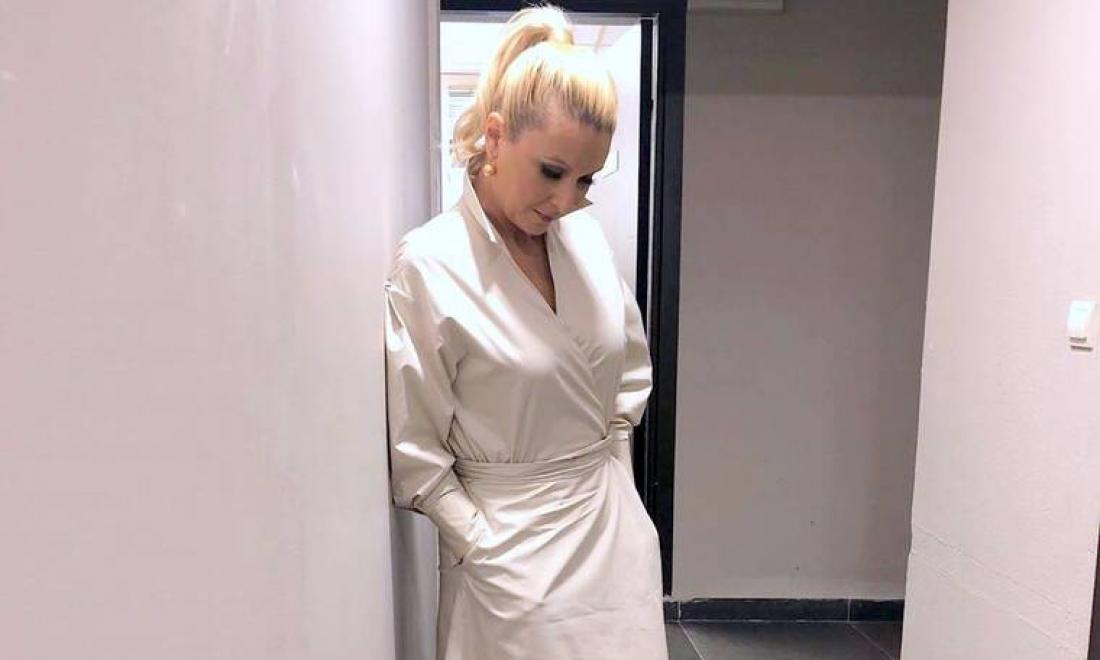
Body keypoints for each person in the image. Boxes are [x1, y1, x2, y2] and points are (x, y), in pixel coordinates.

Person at [385, 5, 666, 659]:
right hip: (506, 558)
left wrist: (622, 493)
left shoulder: (586, 240)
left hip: (612, 539)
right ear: (494, 137)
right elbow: (415, 450)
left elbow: (627, 377)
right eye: (552, 172)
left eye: (586, 179)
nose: (566, 201)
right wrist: (481, 547)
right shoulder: (431, 263)